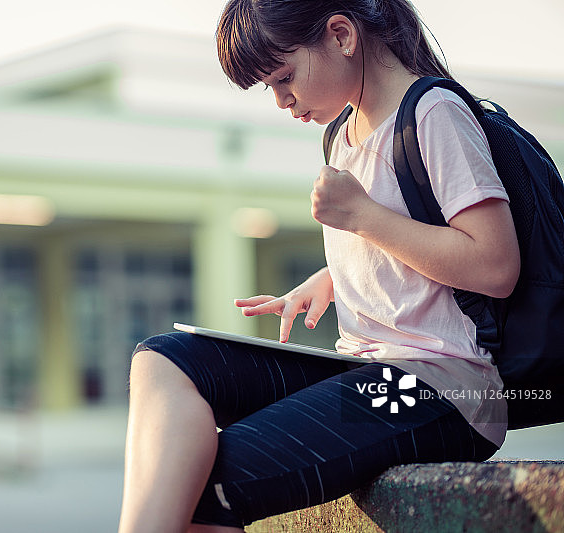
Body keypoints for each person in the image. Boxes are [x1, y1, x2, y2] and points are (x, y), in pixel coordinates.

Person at [118, 0, 521, 531]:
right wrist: (333, 277)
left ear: (341, 35)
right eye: (270, 88)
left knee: (203, 484)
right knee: (163, 358)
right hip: (364, 373)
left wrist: (362, 217)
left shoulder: (432, 111)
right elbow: (409, 244)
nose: (283, 101)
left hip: (440, 390)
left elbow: (495, 264)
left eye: (285, 77)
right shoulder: (341, 135)